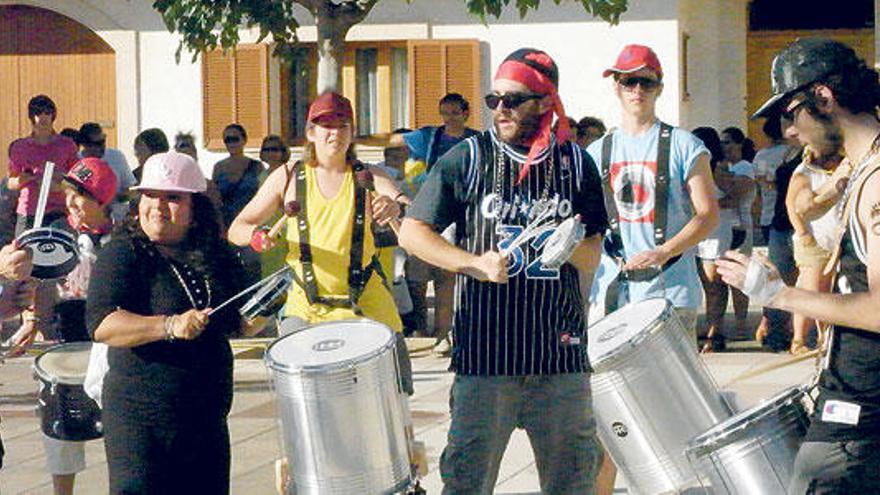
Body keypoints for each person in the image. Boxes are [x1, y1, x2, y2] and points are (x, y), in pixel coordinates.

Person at [400, 47, 607, 494]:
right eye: (495, 99)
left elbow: (593, 255)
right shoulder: (469, 158)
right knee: (467, 485)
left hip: (559, 356)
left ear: (545, 102)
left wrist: (567, 247)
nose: (502, 109)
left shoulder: (576, 164)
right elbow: (412, 232)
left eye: (514, 99)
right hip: (486, 358)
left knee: (573, 485)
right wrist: (472, 262)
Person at [718, 38, 880, 492]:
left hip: (859, 421)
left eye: (792, 112)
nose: (789, 130)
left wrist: (779, 295)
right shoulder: (862, 170)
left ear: (823, 97)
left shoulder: (877, 179)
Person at [86, 151, 257, 494]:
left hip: (204, 418)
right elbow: (102, 323)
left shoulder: (215, 253)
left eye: (172, 198)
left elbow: (236, 323)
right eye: (150, 196)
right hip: (142, 419)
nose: (158, 206)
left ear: (195, 207)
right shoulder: (124, 253)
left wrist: (266, 307)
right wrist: (168, 326)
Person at [587, 44, 719, 340]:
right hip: (613, 291)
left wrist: (664, 251)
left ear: (659, 88)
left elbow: (708, 215)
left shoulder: (685, 145)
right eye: (628, 81)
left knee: (672, 386)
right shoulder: (597, 152)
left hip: (671, 289)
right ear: (616, 87)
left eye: (645, 81)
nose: (637, 90)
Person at [10, 158, 118, 495]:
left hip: (110, 338)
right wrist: (31, 320)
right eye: (69, 193)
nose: (71, 201)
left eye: (81, 195)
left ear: (102, 200)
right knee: (60, 433)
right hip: (63, 332)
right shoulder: (54, 231)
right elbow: (32, 280)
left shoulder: (123, 235)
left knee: (120, 430)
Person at [77, 122, 137, 221]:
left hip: (116, 217)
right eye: (97, 143)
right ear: (84, 145)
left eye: (103, 140)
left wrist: (121, 198)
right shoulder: (78, 162)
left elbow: (130, 188)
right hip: (88, 217)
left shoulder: (116, 156)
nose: (102, 146)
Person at [754, 117, 793, 244]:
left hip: (768, 212)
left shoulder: (762, 156)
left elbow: (760, 180)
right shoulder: (792, 152)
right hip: (792, 212)